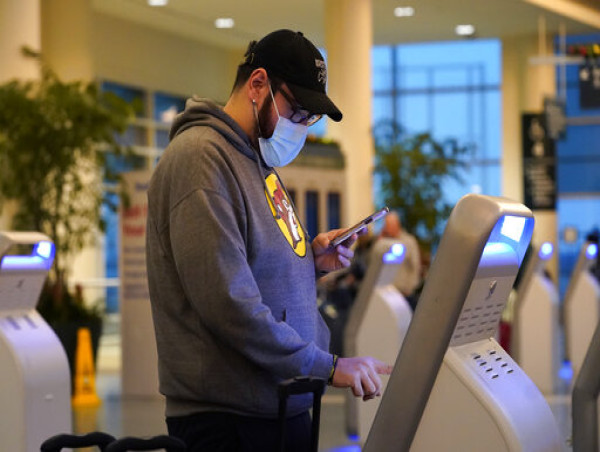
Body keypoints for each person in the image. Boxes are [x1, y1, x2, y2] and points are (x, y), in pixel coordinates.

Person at [145, 29, 392, 452]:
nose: (301, 129)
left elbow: (247, 264)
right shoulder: (202, 159)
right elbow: (228, 304)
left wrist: (308, 261)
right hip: (229, 420)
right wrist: (329, 367)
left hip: (277, 406)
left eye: (308, 120)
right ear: (258, 84)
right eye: (296, 112)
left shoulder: (254, 159)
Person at [380, 211, 422, 309]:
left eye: (388, 225)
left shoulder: (408, 241)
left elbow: (415, 266)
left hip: (405, 294)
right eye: (386, 225)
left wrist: (410, 288)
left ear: (396, 225)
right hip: (389, 295)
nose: (386, 228)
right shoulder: (384, 243)